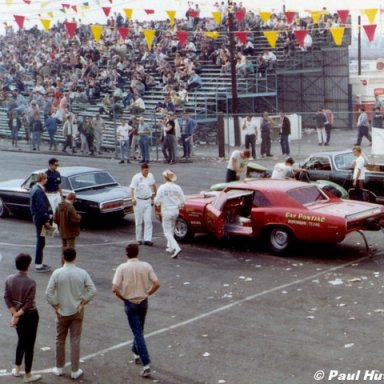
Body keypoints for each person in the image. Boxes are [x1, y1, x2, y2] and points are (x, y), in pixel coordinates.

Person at [46, 248, 96, 380]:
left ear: (63, 257)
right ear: (75, 257)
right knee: (75, 340)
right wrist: (83, 302)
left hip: (62, 311)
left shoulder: (57, 273)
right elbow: (92, 290)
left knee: (60, 339)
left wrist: (56, 305)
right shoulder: (82, 273)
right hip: (77, 311)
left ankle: (59, 367)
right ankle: (75, 370)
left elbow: (48, 294)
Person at [112, 243, 160, 378]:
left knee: (138, 331)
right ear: (138, 253)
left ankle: (146, 364)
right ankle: (135, 351)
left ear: (126, 254)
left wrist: (124, 298)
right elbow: (156, 283)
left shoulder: (122, 268)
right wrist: (148, 293)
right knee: (139, 329)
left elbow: (115, 288)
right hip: (143, 302)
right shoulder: (146, 266)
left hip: (130, 302)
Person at [4, 253, 42, 383]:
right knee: (29, 345)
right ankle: (28, 374)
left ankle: (17, 368)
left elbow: (6, 298)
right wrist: (17, 315)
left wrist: (14, 314)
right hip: (30, 315)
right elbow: (29, 304)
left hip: (16, 313)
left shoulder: (9, 279)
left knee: (21, 340)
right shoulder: (31, 282)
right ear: (28, 265)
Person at [154, 170, 185, 259]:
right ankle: (170, 247)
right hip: (175, 211)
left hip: (167, 211)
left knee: (167, 232)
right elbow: (182, 199)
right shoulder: (177, 187)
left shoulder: (162, 188)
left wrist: (156, 202)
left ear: (165, 178)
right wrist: (177, 205)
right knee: (171, 228)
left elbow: (157, 201)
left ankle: (176, 247)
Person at [130, 163, 157, 246]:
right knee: (139, 221)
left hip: (148, 200)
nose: (147, 172)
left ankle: (147, 239)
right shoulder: (136, 177)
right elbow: (131, 188)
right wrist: (133, 199)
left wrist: (154, 194)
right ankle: (138, 239)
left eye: (148, 170)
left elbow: (153, 185)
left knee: (148, 220)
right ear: (141, 170)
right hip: (138, 201)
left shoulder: (150, 176)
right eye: (145, 170)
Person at [30, 173, 52, 272]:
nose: (47, 180)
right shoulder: (39, 191)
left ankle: (39, 263)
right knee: (40, 241)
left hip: (37, 218)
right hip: (41, 219)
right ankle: (38, 265)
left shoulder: (35, 188)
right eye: (46, 178)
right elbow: (42, 207)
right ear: (43, 179)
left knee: (41, 241)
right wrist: (47, 220)